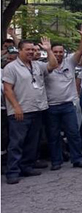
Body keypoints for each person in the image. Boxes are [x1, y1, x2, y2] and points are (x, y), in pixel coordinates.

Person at [3, 38, 59, 184]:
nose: (31, 52)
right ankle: (12, 172)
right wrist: (16, 107)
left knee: (32, 141)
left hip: (37, 108)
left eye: (33, 50)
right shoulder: (11, 67)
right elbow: (7, 90)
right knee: (17, 142)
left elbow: (53, 65)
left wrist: (48, 50)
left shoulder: (37, 65)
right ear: (20, 50)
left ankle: (26, 166)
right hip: (20, 111)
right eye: (28, 50)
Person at [45, 24, 82, 171]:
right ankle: (56, 161)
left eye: (60, 52)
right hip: (51, 106)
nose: (58, 54)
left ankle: (77, 159)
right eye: (55, 51)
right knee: (54, 135)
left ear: (64, 53)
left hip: (68, 105)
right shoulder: (44, 66)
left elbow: (80, 51)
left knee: (73, 133)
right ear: (51, 52)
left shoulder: (70, 63)